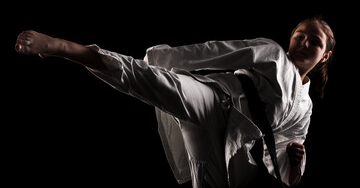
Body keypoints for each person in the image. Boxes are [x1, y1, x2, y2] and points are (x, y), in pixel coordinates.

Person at [14, 15, 335, 188]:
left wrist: (295, 163)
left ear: (325, 56)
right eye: (299, 35)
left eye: (314, 41)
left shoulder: (305, 108)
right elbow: (218, 50)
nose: (303, 42)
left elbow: (285, 151)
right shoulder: (274, 53)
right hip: (218, 101)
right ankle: (68, 48)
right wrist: (162, 59)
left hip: (235, 147)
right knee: (155, 82)